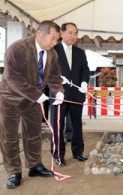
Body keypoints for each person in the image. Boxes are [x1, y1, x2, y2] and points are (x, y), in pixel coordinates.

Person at [0, 20, 64, 189]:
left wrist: (58, 91)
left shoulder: (52, 54)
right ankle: (14, 171)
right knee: (9, 136)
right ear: (39, 34)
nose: (55, 43)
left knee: (34, 134)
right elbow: (12, 78)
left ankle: (34, 165)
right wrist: (37, 94)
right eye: (53, 38)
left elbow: (55, 77)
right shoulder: (17, 49)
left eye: (57, 39)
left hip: (34, 101)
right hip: (10, 98)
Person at [50, 22, 90, 166]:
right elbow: (48, 71)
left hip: (76, 95)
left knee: (77, 125)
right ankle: (58, 155)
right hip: (59, 95)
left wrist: (85, 82)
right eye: (70, 32)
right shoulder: (53, 50)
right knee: (58, 125)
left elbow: (85, 70)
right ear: (62, 33)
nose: (73, 36)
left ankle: (78, 152)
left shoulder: (80, 53)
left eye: (75, 33)